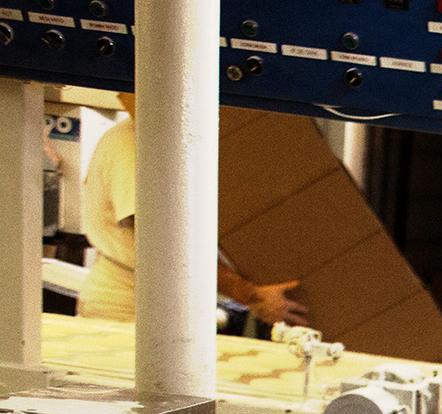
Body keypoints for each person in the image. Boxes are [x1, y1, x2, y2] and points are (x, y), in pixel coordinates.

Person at [79, 93, 307, 326]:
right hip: (127, 306)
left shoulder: (179, 142)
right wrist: (252, 295)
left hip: (171, 303)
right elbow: (164, 242)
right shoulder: (132, 143)